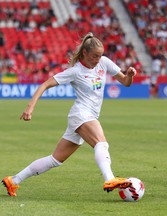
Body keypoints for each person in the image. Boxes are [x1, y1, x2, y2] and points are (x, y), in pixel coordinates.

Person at [2, 32, 137, 196]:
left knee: (55, 160)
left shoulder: (104, 63)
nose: (97, 60)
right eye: (94, 56)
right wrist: (30, 106)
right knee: (101, 143)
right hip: (81, 114)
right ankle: (109, 178)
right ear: (85, 53)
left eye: (100, 56)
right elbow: (45, 84)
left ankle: (13, 180)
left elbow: (125, 82)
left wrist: (129, 76)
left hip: (87, 116)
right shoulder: (75, 71)